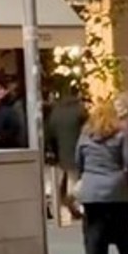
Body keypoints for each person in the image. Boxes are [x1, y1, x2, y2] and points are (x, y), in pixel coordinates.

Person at [75, 100, 128, 254]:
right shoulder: (120, 135)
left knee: (94, 227)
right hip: (116, 187)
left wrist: (84, 176)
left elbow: (78, 160)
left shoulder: (84, 137)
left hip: (91, 188)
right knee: (121, 225)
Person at [45, 91, 87, 220]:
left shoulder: (55, 112)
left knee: (56, 182)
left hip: (59, 153)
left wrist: (51, 150)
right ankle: (73, 205)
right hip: (75, 151)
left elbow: (49, 133)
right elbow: (87, 130)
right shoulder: (80, 111)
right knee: (73, 182)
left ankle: (54, 209)